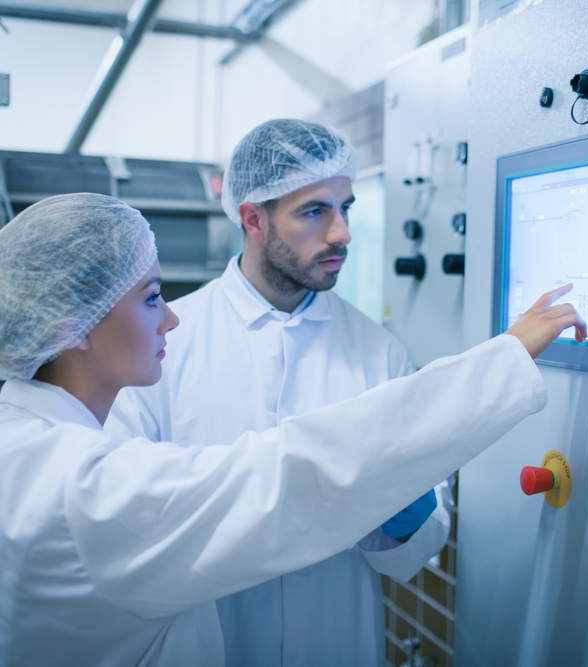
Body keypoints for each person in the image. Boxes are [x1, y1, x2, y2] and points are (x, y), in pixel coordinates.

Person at [0, 193, 585, 666]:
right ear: (69, 327)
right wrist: (503, 359)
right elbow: (288, 475)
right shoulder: (86, 492)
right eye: (151, 296)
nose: (170, 320)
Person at [107, 119, 449, 666]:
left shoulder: (378, 353)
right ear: (253, 219)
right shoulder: (166, 346)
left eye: (345, 208)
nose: (342, 233)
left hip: (336, 641)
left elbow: (419, 547)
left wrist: (407, 512)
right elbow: (120, 516)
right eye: (315, 211)